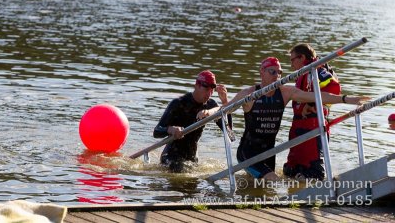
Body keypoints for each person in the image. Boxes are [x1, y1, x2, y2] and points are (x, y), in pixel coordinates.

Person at [224, 57, 367, 181]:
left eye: (280, 72)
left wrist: (346, 99)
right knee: (272, 180)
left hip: (268, 152)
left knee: (258, 183)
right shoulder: (249, 94)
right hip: (248, 151)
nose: (277, 76)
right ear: (262, 72)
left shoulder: (285, 92)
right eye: (272, 72)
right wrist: (209, 111)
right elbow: (224, 110)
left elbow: (318, 97)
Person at [153, 70, 233, 173]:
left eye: (212, 90)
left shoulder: (211, 106)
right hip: (171, 158)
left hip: (192, 159)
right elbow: (156, 132)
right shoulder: (178, 103)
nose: (209, 93)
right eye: (206, 89)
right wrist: (170, 129)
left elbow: (229, 133)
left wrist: (225, 103)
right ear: (197, 86)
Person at [283, 44, 340, 181]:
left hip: (312, 126)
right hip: (301, 126)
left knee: (313, 171)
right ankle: (295, 196)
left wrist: (311, 104)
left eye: (292, 60)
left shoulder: (316, 70)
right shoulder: (305, 72)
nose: (291, 65)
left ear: (302, 57)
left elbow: (334, 88)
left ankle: (319, 197)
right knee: (291, 169)